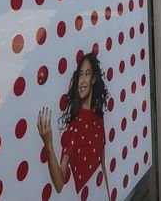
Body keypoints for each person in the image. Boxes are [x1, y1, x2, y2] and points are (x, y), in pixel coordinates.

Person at [38, 53, 111, 197]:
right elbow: (59, 184)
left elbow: (103, 167)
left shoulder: (99, 120)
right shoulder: (75, 128)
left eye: (87, 74)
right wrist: (48, 144)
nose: (82, 80)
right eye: (80, 75)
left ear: (94, 79)